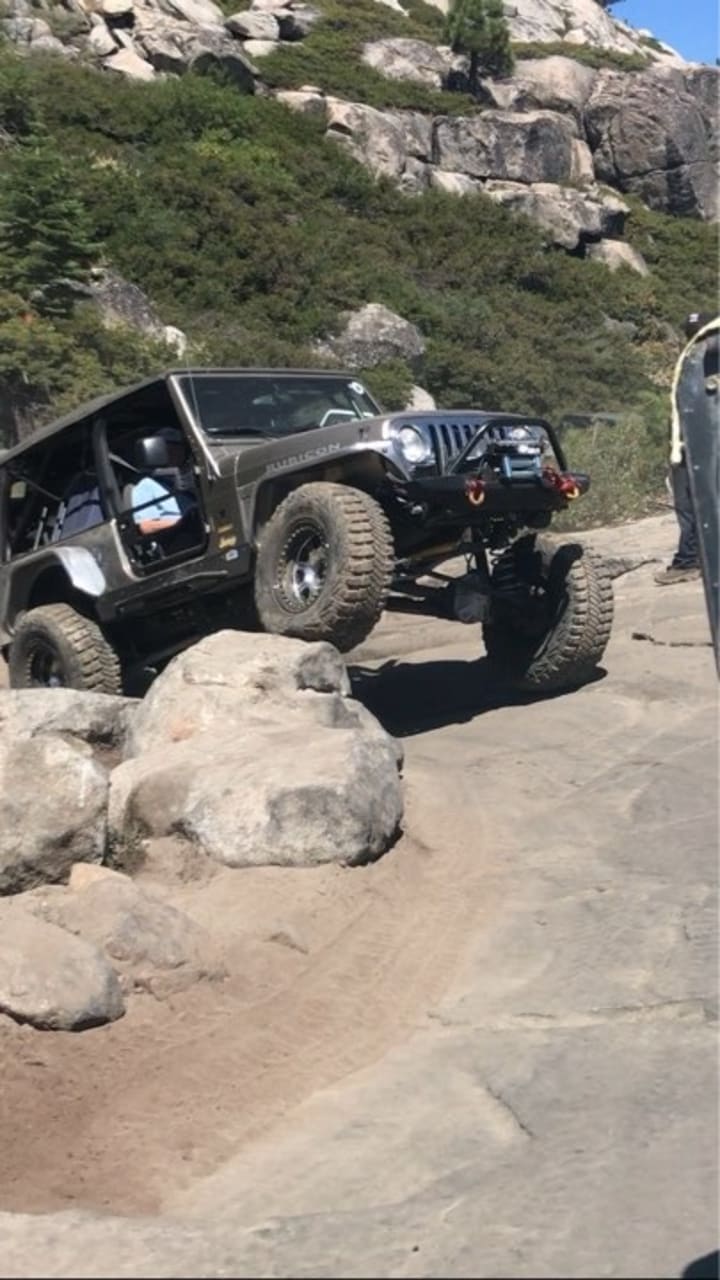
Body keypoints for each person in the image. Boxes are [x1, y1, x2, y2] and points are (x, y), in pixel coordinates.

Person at [655, 311, 717, 586]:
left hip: (699, 447)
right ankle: (695, 558)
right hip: (684, 447)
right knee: (691, 506)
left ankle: (689, 560)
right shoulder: (691, 361)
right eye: (690, 331)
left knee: (692, 507)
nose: (693, 336)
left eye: (698, 330)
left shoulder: (704, 359)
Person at [130, 427, 197, 537]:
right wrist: (181, 523)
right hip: (176, 538)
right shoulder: (146, 485)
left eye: (178, 447)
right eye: (168, 448)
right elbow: (145, 527)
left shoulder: (192, 477)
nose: (175, 452)